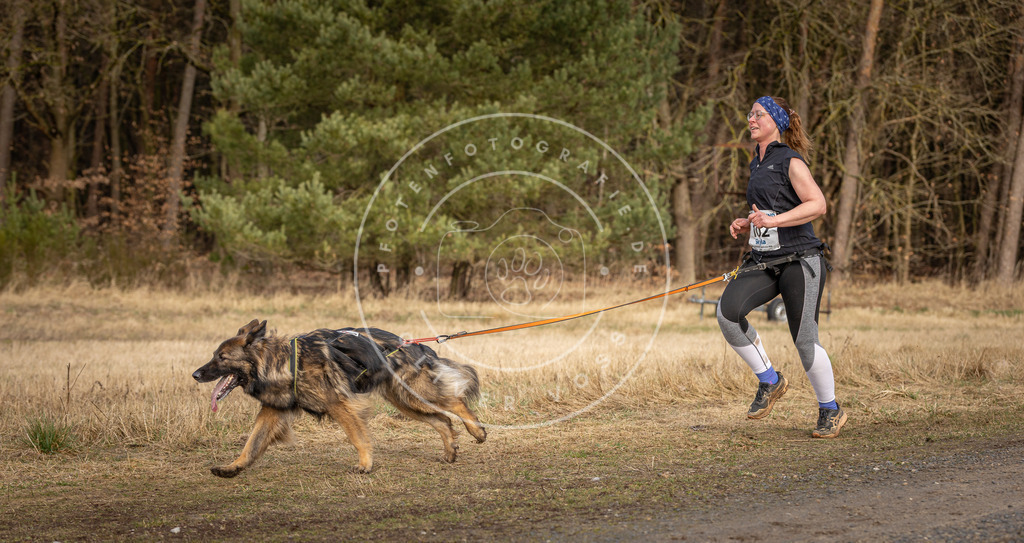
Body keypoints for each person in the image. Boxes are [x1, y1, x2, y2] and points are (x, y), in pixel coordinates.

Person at [717, 95, 846, 438]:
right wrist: (749, 222)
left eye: (758, 114)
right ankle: (770, 380)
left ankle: (830, 409)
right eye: (750, 114)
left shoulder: (790, 159)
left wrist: (773, 222)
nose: (751, 119)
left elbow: (817, 204)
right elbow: (771, 209)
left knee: (804, 340)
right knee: (728, 313)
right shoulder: (756, 163)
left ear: (775, 122)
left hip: (800, 260)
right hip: (765, 260)